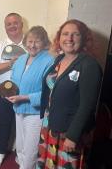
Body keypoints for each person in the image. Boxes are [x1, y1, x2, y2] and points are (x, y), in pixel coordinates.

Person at [37, 19, 102, 168]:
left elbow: (87, 105)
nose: (69, 38)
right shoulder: (59, 59)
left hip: (69, 131)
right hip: (50, 125)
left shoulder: (89, 65)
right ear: (59, 38)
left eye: (75, 34)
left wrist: (73, 136)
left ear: (84, 38)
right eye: (65, 34)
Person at [6, 26, 53, 169]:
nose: (32, 45)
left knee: (30, 150)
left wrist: (25, 97)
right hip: (18, 109)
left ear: (44, 43)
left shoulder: (49, 61)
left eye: (37, 41)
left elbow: (49, 93)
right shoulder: (21, 59)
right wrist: (7, 91)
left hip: (35, 113)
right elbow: (13, 80)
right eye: (30, 41)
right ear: (25, 42)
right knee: (20, 146)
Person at [0, 12, 24, 167]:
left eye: (15, 22)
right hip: (2, 93)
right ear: (5, 27)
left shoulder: (30, 44)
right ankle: (0, 151)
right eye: (9, 24)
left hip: (24, 94)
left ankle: (21, 154)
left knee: (23, 125)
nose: (12, 26)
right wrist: (11, 63)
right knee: (3, 124)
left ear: (21, 24)